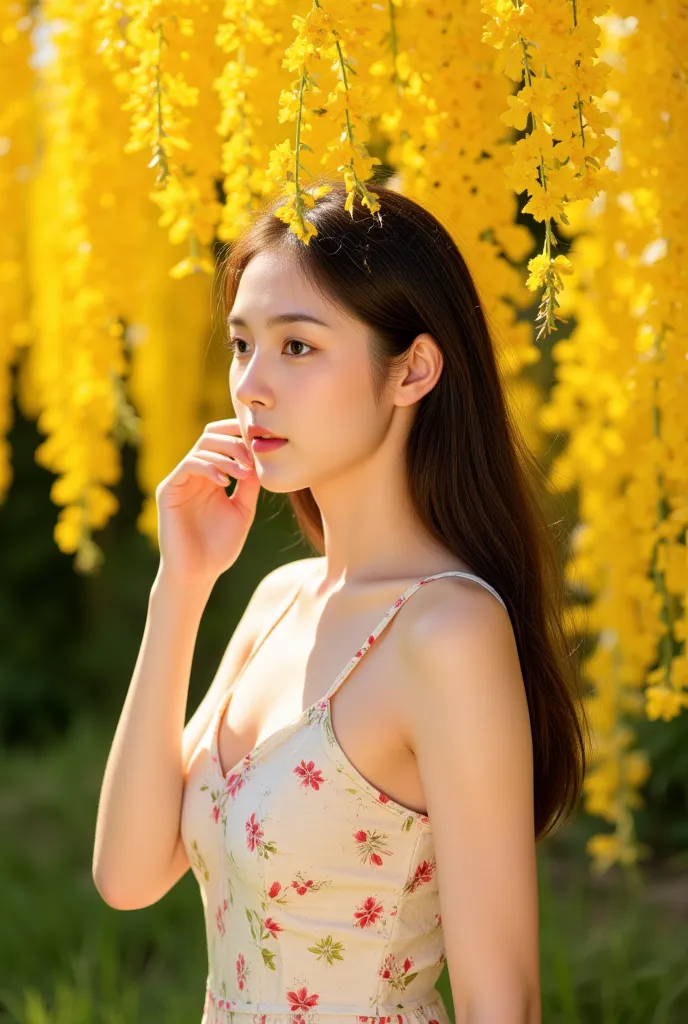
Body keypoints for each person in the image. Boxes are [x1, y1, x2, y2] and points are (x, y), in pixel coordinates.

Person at [93, 181, 588, 1024]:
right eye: (243, 344)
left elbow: (504, 1000)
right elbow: (129, 876)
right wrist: (180, 585)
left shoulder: (448, 631)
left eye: (297, 347)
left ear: (414, 369)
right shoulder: (275, 601)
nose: (250, 386)